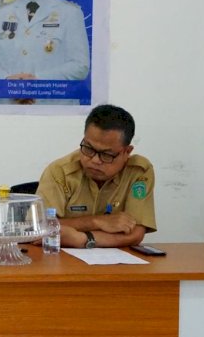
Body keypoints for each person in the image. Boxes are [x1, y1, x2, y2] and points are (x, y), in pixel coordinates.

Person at [37, 104, 156, 248]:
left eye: (107, 155)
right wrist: (96, 222)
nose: (94, 160)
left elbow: (136, 233)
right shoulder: (59, 171)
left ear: (127, 152)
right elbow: (39, 229)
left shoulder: (139, 171)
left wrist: (83, 239)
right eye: (88, 148)